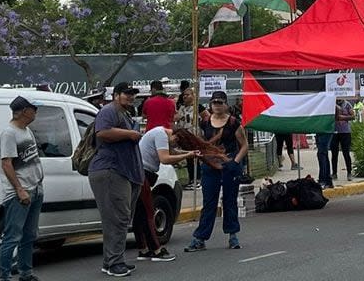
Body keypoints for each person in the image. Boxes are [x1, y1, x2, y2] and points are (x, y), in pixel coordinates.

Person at [88, 82, 144, 277]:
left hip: (125, 172)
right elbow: (102, 132)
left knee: (120, 218)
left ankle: (111, 261)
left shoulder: (126, 114)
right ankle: (114, 262)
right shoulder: (108, 111)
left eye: (132, 94)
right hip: (111, 170)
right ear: (116, 95)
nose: (130, 97)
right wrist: (130, 134)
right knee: (117, 219)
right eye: (126, 94)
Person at [185, 91, 249, 252]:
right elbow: (200, 142)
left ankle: (232, 235)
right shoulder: (205, 123)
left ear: (226, 104)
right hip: (210, 166)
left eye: (220, 102)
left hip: (229, 165)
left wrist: (235, 162)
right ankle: (200, 238)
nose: (217, 106)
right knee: (209, 203)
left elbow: (244, 145)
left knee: (229, 201)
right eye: (214, 103)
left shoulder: (234, 123)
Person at [135, 126, 200, 262]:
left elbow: (172, 152)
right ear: (175, 136)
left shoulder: (160, 133)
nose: (174, 145)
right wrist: (187, 155)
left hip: (142, 173)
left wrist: (189, 153)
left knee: (140, 212)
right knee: (148, 213)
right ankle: (157, 250)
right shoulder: (161, 135)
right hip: (143, 174)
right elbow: (164, 158)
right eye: (176, 142)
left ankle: (143, 249)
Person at [0, 96, 44, 281]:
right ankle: (5, 276)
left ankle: (26, 273)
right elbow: (7, 164)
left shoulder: (27, 131)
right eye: (34, 109)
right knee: (12, 236)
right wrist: (19, 189)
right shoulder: (9, 133)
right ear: (25, 111)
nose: (36, 112)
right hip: (20, 191)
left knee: (29, 235)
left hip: (35, 188)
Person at [177, 87, 206, 190]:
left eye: (188, 94)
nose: (185, 96)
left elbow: (207, 117)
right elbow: (176, 118)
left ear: (194, 96)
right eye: (184, 94)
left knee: (196, 157)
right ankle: (191, 179)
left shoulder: (198, 107)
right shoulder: (181, 107)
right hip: (184, 135)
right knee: (188, 157)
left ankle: (198, 179)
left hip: (195, 135)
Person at [331, 99, 355, 181]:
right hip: (334, 132)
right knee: (334, 154)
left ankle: (349, 172)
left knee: (346, 153)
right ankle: (334, 173)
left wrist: (343, 117)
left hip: (345, 132)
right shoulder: (331, 103)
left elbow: (353, 116)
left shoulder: (347, 104)